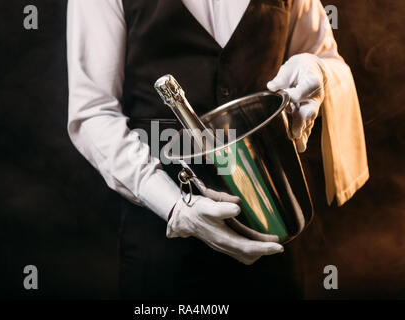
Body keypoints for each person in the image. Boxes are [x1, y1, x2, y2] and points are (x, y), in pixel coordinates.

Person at [67, 0, 368, 299]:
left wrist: (318, 69)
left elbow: (329, 60)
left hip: (276, 225)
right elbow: (94, 112)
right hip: (162, 245)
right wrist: (174, 206)